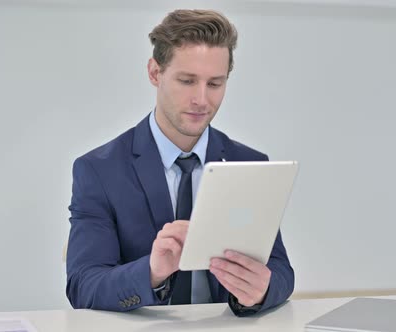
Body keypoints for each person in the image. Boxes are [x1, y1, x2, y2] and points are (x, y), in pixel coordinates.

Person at [66, 9, 294, 317]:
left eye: (215, 83)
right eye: (187, 81)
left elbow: (280, 270)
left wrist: (262, 290)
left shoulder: (249, 163)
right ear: (155, 73)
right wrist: (151, 272)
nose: (202, 99)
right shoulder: (100, 170)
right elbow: (83, 285)